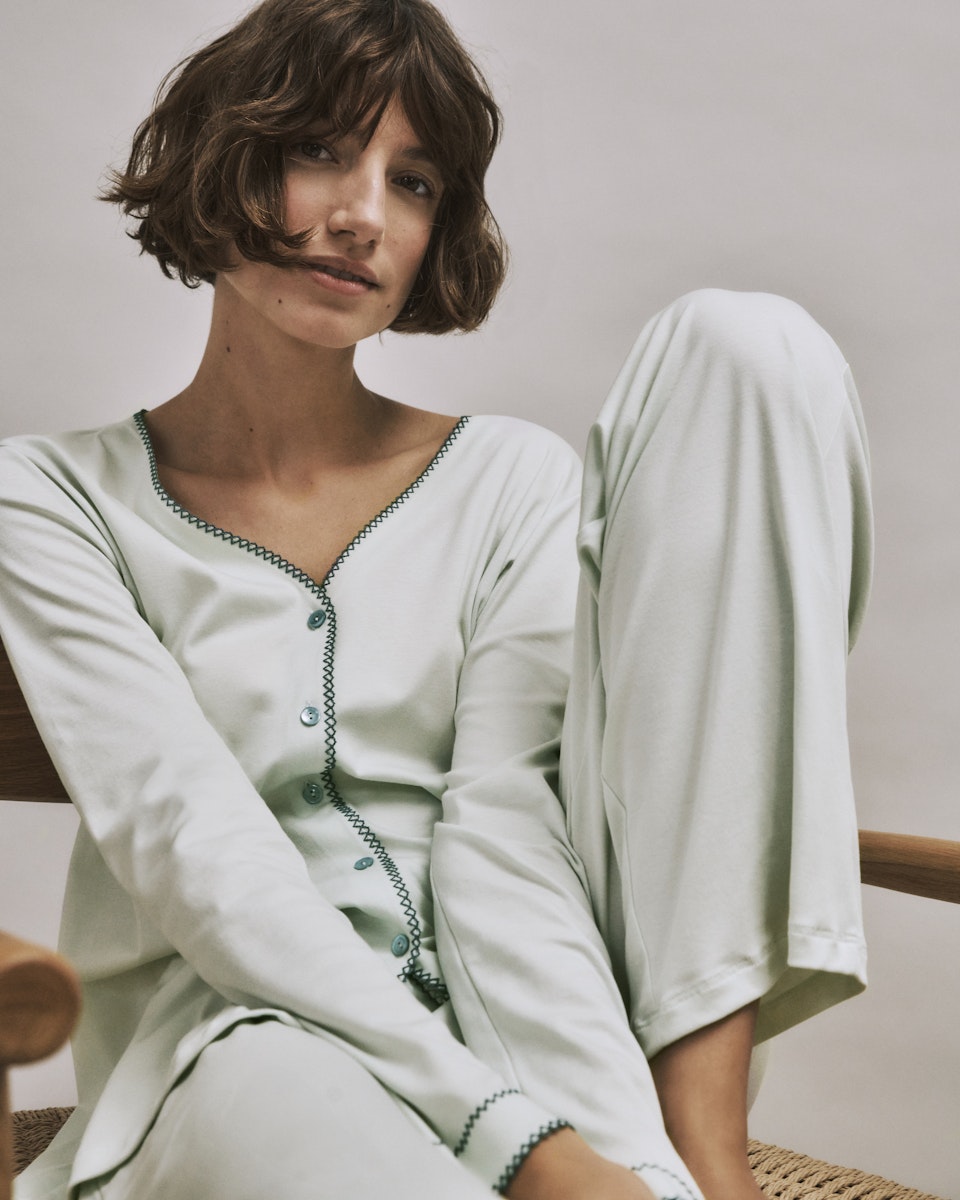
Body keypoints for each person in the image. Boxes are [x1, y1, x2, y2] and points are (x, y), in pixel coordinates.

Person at [0, 1, 873, 1198]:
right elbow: (195, 851)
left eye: (412, 183)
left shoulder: (510, 480)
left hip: (531, 1012)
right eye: (318, 150)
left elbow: (508, 835)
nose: (363, 215)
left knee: (748, 344)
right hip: (236, 1041)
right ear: (221, 153)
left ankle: (701, 1144)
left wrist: (621, 1157)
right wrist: (527, 1152)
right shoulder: (52, 499)